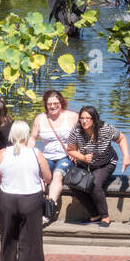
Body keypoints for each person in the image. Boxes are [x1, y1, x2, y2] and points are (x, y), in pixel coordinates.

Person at [0, 121, 51, 261]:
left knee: (7, 240)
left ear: (11, 136)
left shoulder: (1, 154)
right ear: (27, 136)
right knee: (28, 243)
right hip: (31, 200)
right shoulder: (36, 153)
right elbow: (48, 177)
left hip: (7, 200)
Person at [65, 105, 130, 226]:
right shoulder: (77, 130)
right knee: (73, 183)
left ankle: (105, 216)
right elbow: (70, 150)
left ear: (94, 119)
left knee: (94, 184)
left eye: (88, 118)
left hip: (105, 163)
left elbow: (121, 138)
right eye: (82, 118)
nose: (84, 121)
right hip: (85, 163)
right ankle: (94, 215)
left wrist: (126, 156)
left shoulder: (105, 129)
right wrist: (83, 158)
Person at [28, 89, 78, 225]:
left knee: (57, 175)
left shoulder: (72, 116)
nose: (53, 106)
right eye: (50, 104)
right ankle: (33, 208)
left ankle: (49, 210)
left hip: (66, 156)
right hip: (47, 157)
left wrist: (78, 152)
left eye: (56, 103)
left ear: (61, 102)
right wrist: (29, 154)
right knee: (38, 176)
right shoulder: (40, 119)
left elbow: (83, 135)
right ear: (46, 105)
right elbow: (32, 138)